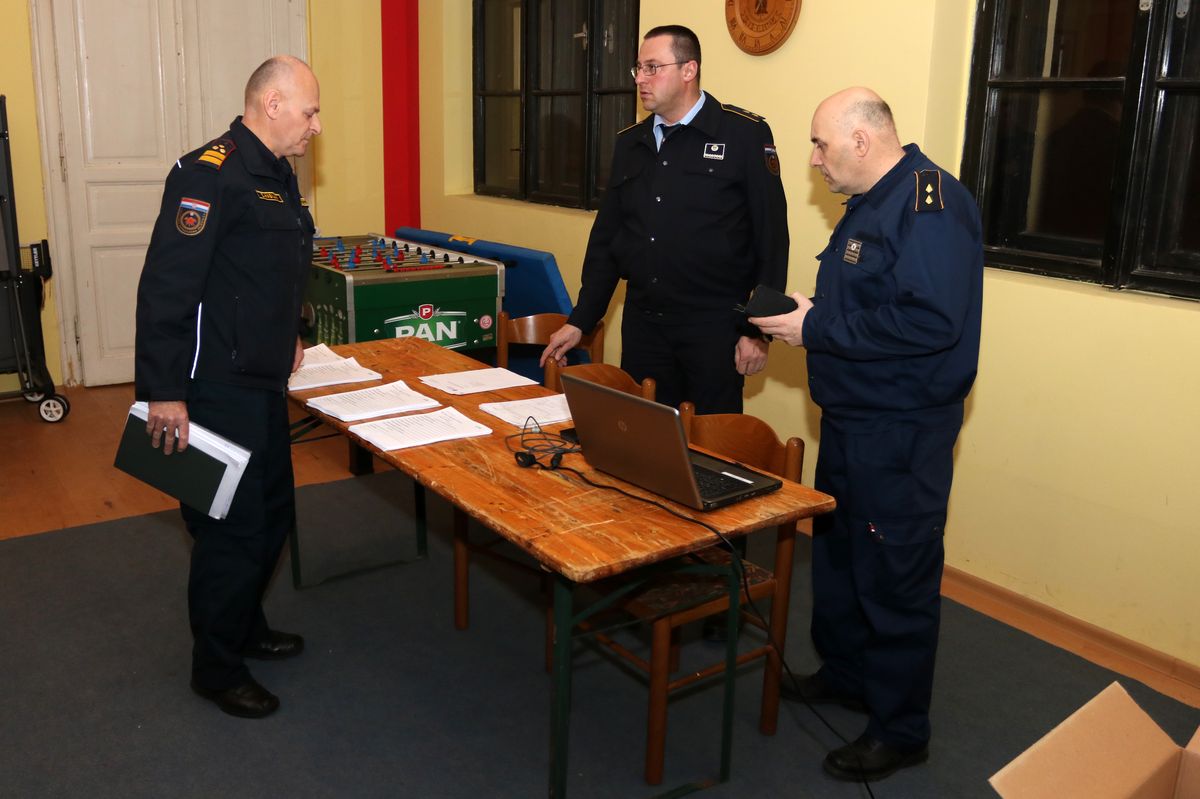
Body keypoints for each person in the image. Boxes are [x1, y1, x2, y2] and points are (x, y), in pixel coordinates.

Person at [750, 87, 983, 781]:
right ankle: (849, 675)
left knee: (896, 575)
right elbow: (872, 300)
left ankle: (900, 729)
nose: (814, 159)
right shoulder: (873, 202)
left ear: (861, 140)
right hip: (853, 419)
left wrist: (815, 328)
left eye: (820, 145)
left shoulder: (930, 203)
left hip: (900, 431)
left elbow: (929, 321)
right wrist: (810, 310)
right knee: (844, 560)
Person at [134, 55, 322, 719]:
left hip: (261, 380)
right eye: (309, 112)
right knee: (230, 530)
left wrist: (292, 331)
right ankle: (215, 667)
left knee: (272, 514)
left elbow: (277, 271)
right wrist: (163, 391)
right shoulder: (207, 174)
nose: (315, 126)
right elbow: (167, 287)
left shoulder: (276, 174)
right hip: (213, 386)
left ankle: (243, 625)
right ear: (272, 104)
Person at [540, 24, 788, 414]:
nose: (640, 78)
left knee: (709, 444)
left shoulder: (743, 134)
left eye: (652, 67)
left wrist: (758, 332)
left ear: (689, 70)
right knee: (643, 435)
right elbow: (608, 241)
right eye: (638, 68)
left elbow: (772, 240)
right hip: (645, 328)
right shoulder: (631, 143)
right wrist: (581, 320)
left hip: (714, 329)